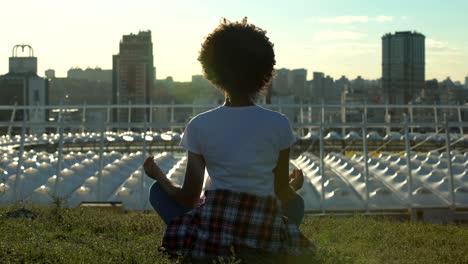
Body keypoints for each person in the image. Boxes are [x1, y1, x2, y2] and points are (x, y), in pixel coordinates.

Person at [144, 17, 314, 263]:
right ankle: (264, 247)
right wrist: (294, 187)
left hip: (214, 235)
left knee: (157, 191)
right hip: (261, 229)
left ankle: (197, 244)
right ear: (264, 72)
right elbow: (280, 192)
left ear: (212, 71)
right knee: (295, 203)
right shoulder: (279, 124)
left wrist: (158, 176)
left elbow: (189, 198)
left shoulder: (199, 125)